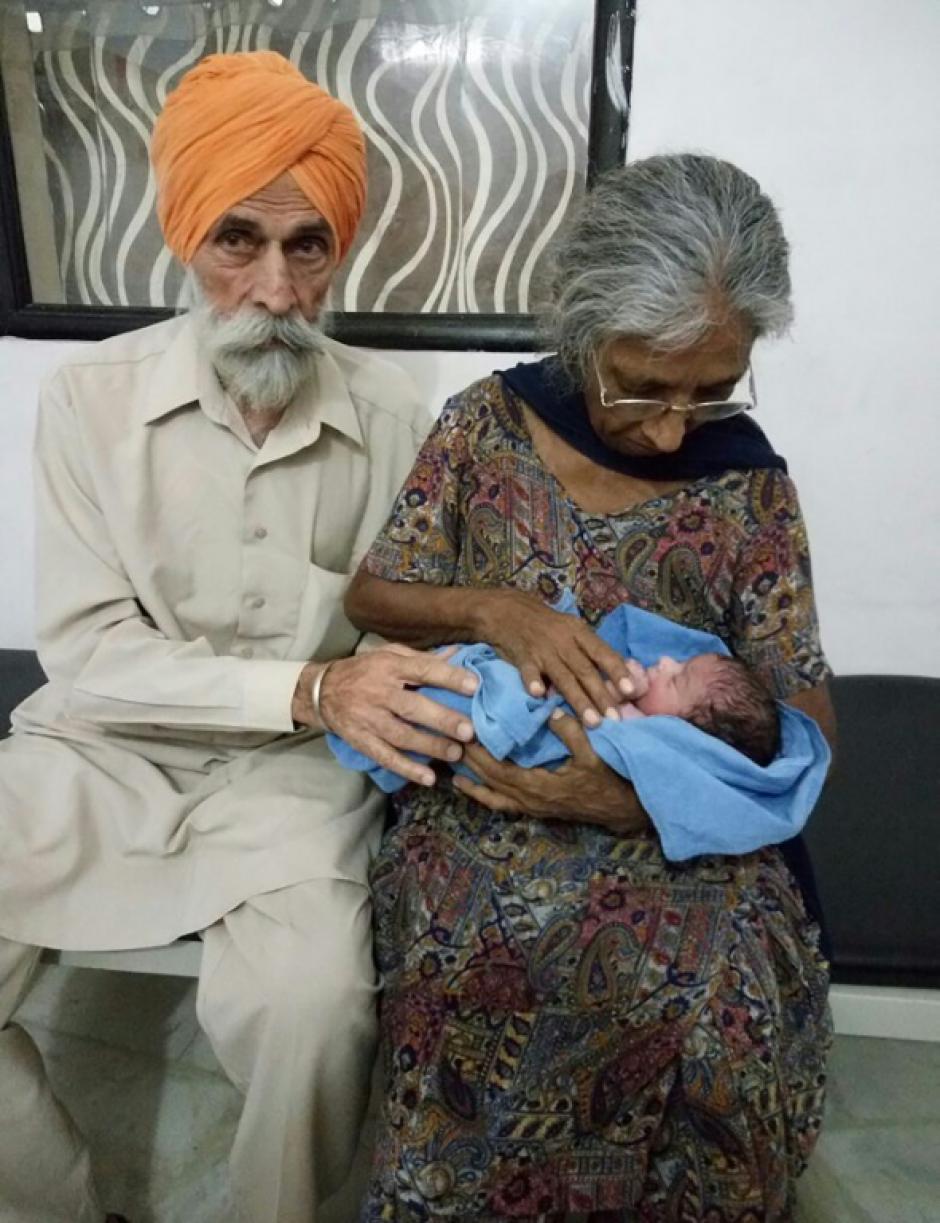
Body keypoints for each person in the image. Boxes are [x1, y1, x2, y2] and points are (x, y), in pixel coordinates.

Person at [0, 52, 482, 1223]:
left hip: (291, 782)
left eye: (306, 245)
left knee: (314, 1009)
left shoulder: (394, 419)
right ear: (184, 240)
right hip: (98, 749)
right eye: (237, 241)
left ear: (338, 251)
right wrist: (316, 683)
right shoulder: (88, 402)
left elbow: (409, 629)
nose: (273, 288)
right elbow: (90, 649)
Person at [345, 153, 836, 1220]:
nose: (671, 428)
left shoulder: (747, 482)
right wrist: (491, 607)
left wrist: (641, 795)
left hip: (678, 813)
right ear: (580, 330)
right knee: (475, 956)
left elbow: (802, 708)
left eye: (709, 390)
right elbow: (372, 593)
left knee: (737, 993)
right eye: (642, 385)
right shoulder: (484, 427)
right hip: (482, 800)